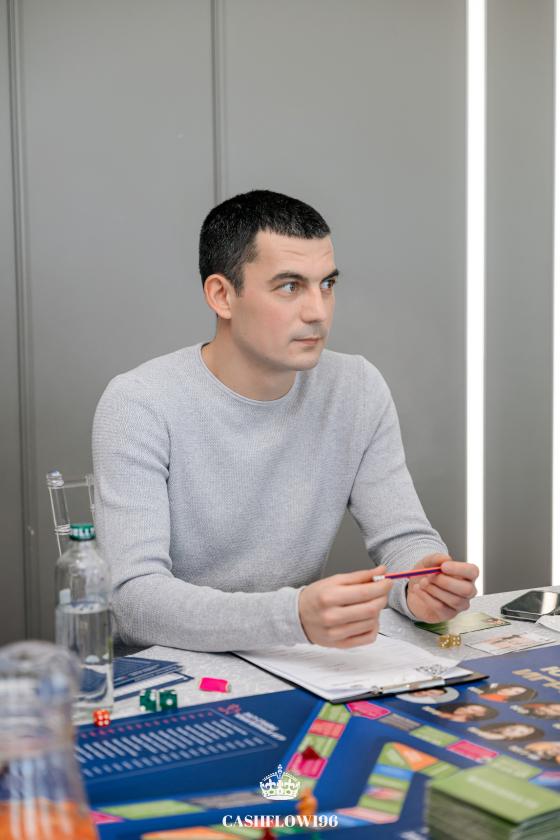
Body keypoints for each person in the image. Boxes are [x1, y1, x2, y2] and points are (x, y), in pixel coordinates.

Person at [92, 190, 479, 652]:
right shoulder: (139, 403)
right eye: (290, 287)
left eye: (326, 284)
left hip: (293, 661)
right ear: (222, 295)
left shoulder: (356, 387)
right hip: (175, 673)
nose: (318, 311)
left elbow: (403, 538)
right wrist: (291, 616)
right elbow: (133, 600)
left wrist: (420, 582)